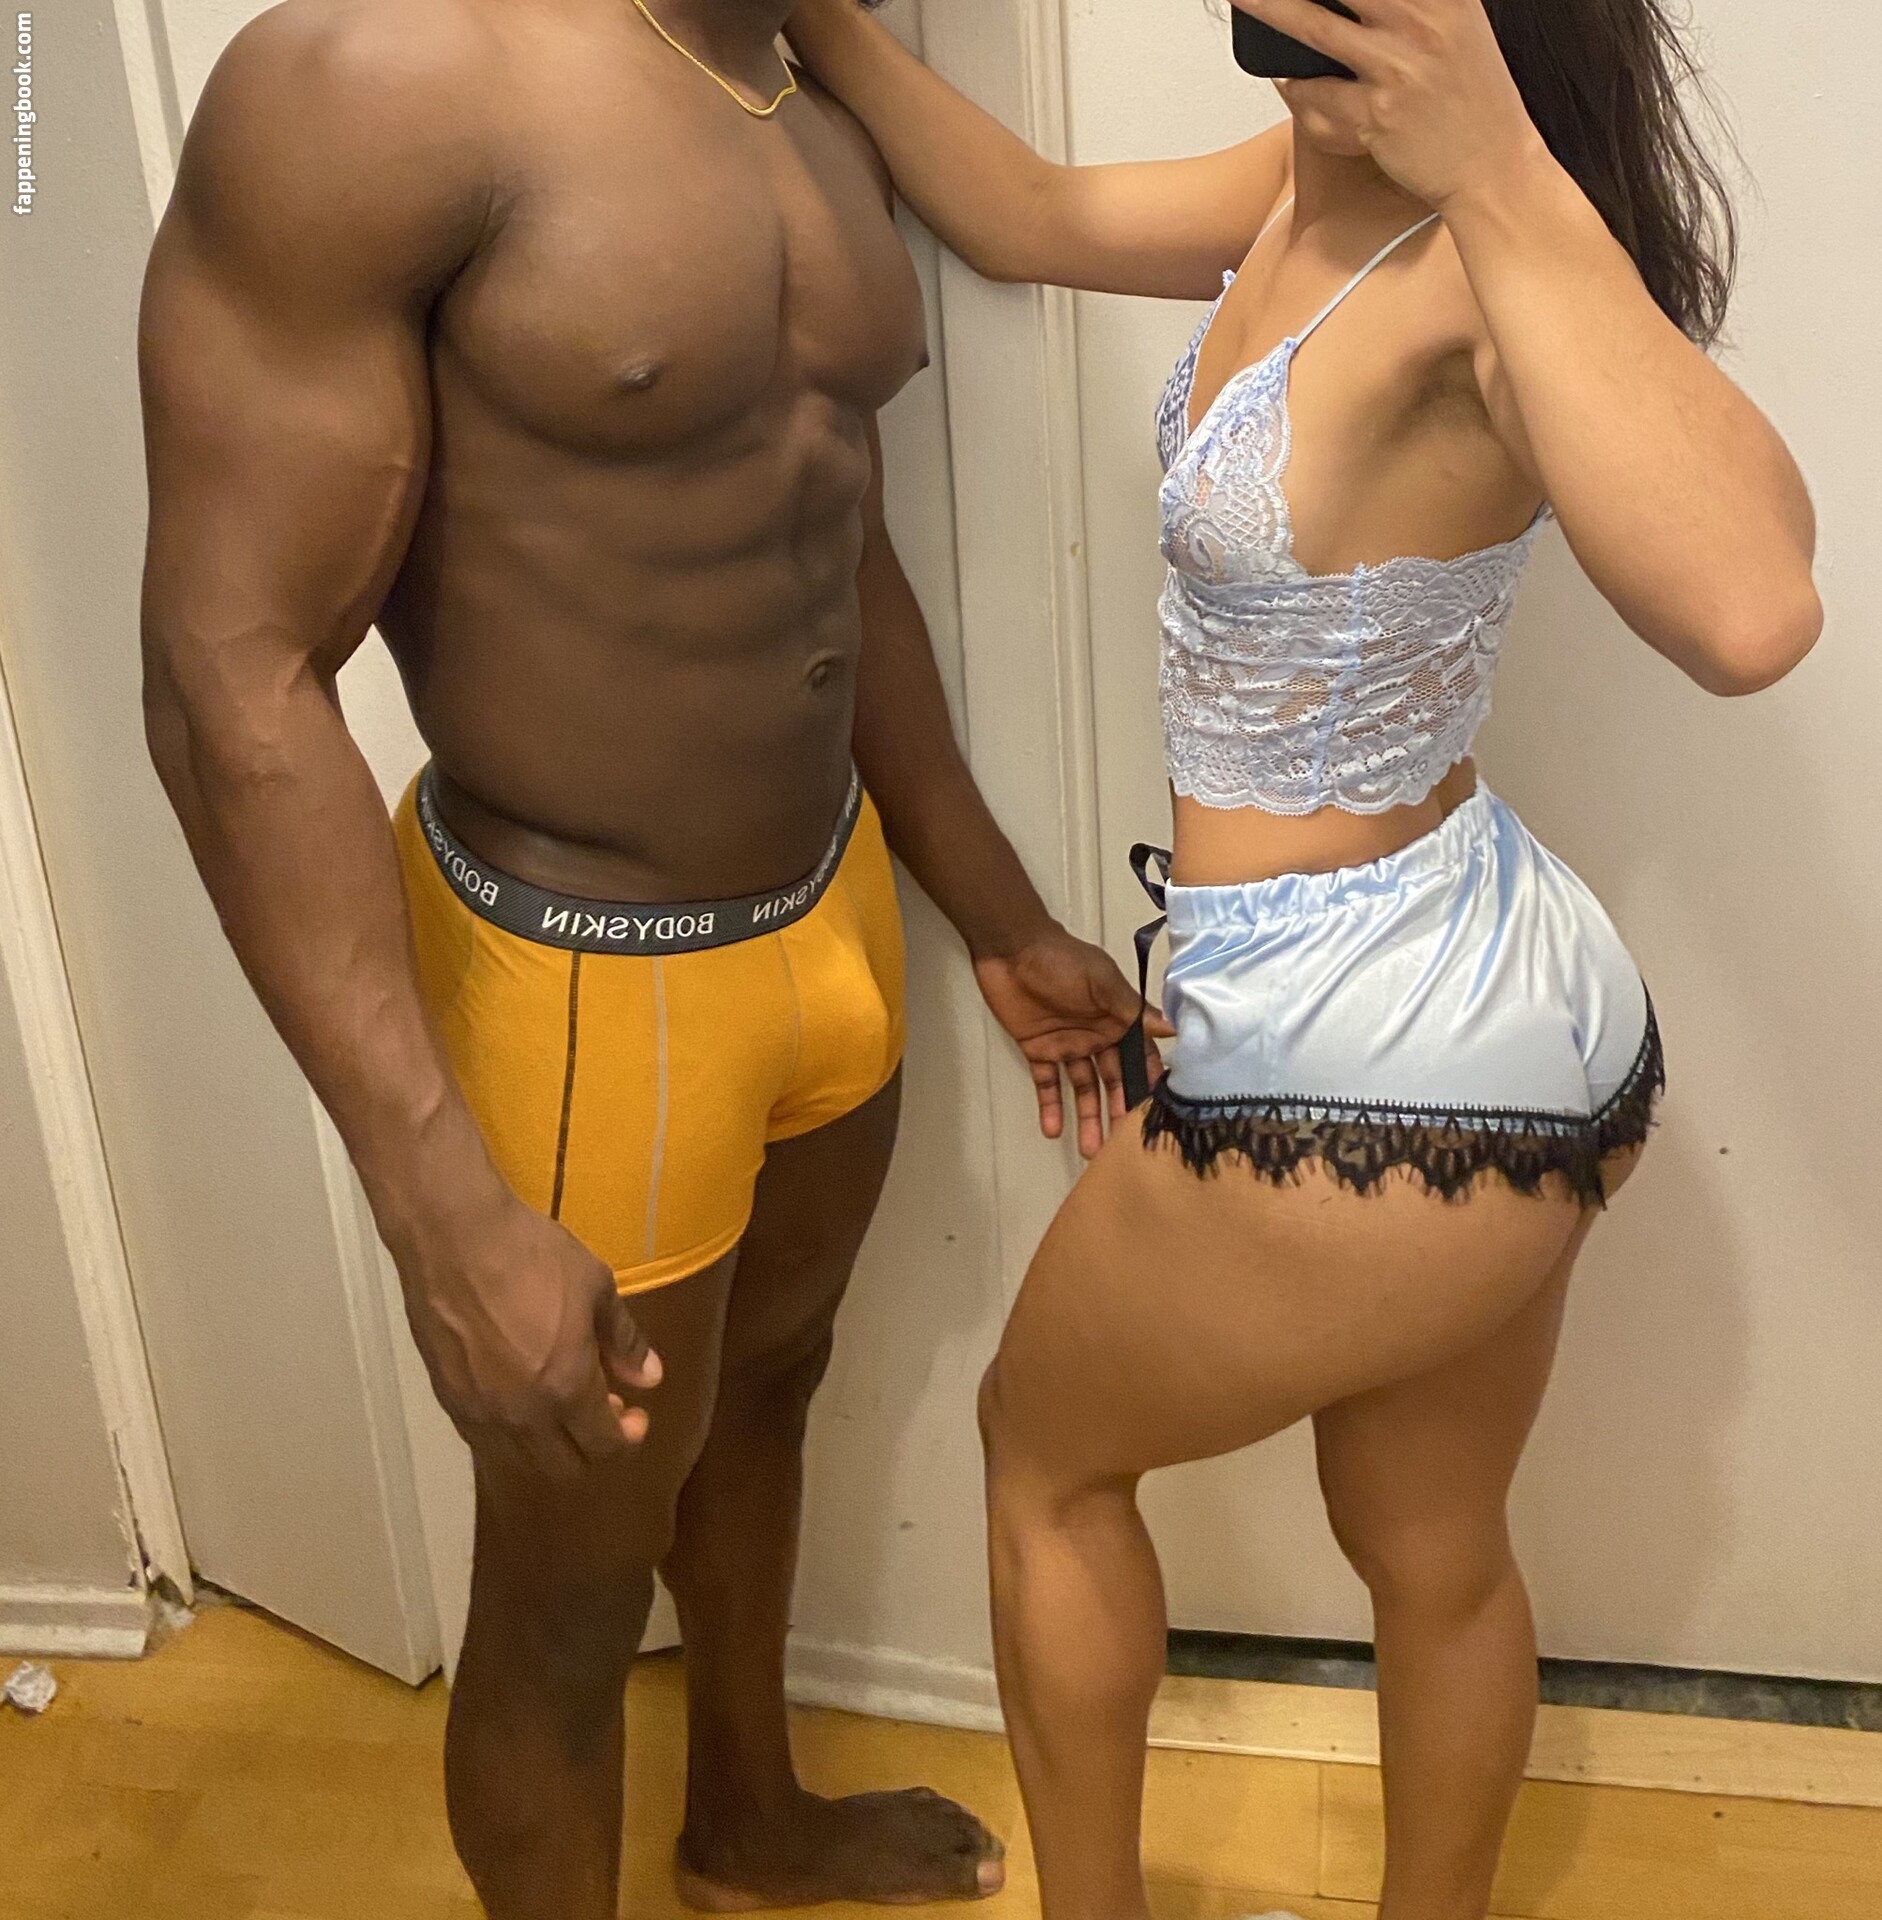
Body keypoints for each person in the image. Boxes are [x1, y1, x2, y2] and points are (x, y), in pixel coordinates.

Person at [781, 0, 1823, 1916]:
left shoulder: (1485, 264)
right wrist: (823, 25)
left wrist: (1497, 160)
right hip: (1504, 990)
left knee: (1039, 1455)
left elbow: (1754, 608)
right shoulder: (1297, 183)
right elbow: (1025, 213)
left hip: (1359, 1045)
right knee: (1432, 1545)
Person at [135, 0, 1153, 1912]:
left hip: (829, 909)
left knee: (771, 1384)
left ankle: (744, 1818)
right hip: (583, 973)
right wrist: (443, 1213)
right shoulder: (373, 86)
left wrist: (997, 912)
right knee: (567, 1580)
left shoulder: (807, 76)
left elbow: (828, 530)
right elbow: (226, 675)